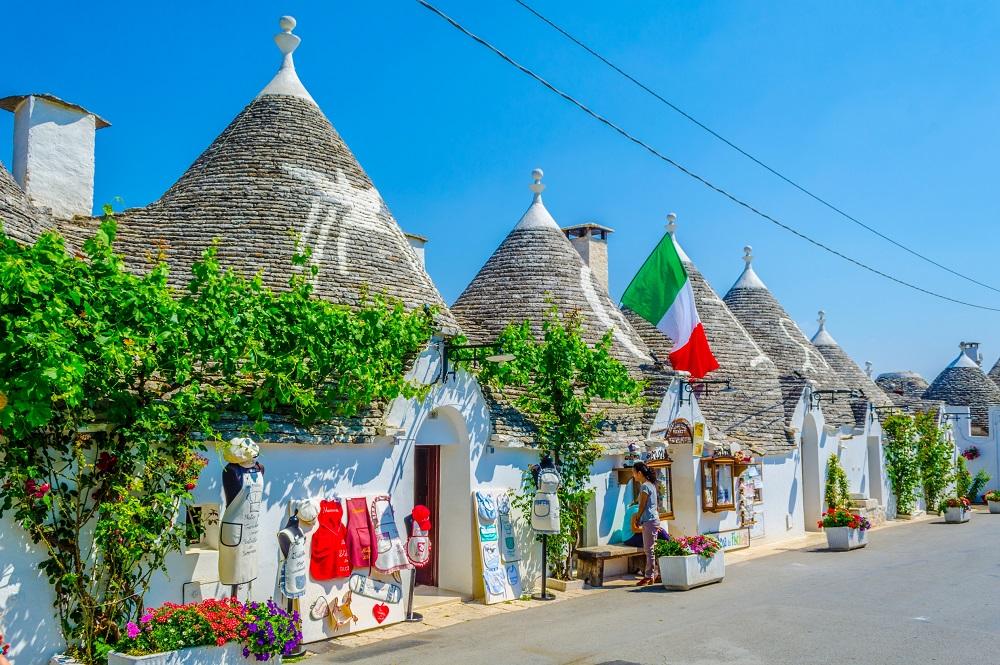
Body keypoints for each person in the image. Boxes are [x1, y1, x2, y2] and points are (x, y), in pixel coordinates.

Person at [632, 462, 661, 586]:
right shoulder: (651, 485)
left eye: (634, 473)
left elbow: (642, 505)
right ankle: (656, 574)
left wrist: (637, 518)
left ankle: (649, 576)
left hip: (648, 520)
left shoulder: (644, 486)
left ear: (639, 473)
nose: (633, 476)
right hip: (654, 519)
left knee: (649, 550)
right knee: (653, 548)